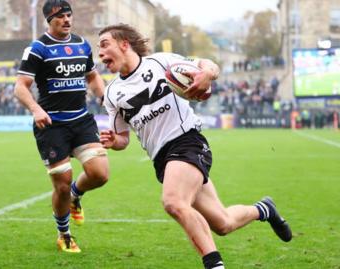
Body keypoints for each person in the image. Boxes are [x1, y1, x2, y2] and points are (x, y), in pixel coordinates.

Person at [98, 24, 292, 269]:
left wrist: (207, 75)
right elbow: (123, 139)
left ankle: (214, 265)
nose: (101, 54)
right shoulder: (112, 93)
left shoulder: (160, 63)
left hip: (187, 141)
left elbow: (209, 65)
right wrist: (115, 141)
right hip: (162, 160)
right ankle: (264, 209)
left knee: (173, 202)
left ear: (124, 44)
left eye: (105, 45)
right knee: (223, 223)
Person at [14, 0, 109, 253]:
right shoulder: (37, 48)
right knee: (62, 183)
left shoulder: (81, 44)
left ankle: (77, 196)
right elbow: (20, 87)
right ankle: (64, 234)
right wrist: (36, 109)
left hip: (80, 119)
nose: (67, 20)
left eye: (69, 15)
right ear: (49, 20)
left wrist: (105, 99)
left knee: (100, 174)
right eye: (60, 17)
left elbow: (92, 76)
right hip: (52, 125)